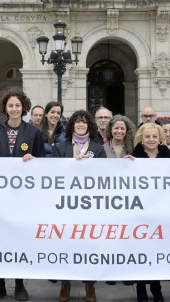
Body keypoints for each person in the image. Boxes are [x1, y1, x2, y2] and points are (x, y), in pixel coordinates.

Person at [0, 89, 44, 301]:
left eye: (17, 105)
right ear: (5, 109)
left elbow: (43, 162)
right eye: (10, 106)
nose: (14, 109)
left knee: (19, 239)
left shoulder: (33, 132)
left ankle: (19, 284)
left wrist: (33, 159)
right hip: (0, 196)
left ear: (24, 107)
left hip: (23, 196)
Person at [52, 109, 106, 302]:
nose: (81, 125)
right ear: (72, 125)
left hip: (90, 205)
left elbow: (105, 176)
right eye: (77, 122)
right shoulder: (61, 147)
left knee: (90, 245)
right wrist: (71, 165)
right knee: (66, 244)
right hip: (66, 204)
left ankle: (90, 284)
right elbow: (53, 172)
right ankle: (65, 282)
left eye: (84, 122)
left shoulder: (98, 149)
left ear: (89, 125)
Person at [127, 122, 170, 302]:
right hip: (139, 212)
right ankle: (140, 287)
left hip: (160, 212)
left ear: (160, 138)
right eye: (147, 136)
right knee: (140, 251)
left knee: (156, 252)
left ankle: (156, 286)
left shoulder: (168, 156)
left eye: (154, 136)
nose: (151, 140)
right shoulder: (134, 156)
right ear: (141, 139)